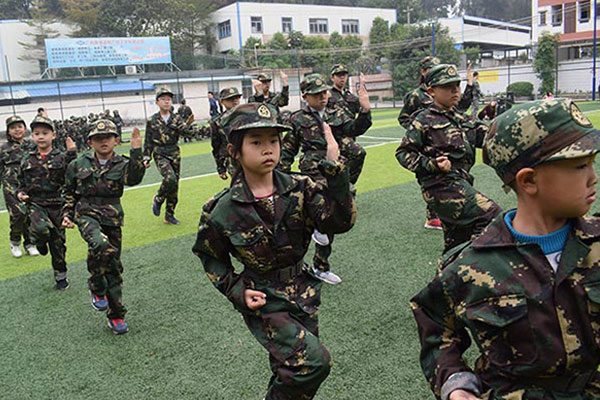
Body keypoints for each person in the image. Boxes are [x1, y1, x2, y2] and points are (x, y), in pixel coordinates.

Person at [412, 98, 600, 400]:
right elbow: (437, 328)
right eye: (579, 165)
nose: (593, 177)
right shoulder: (469, 266)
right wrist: (456, 385)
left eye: (592, 162)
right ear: (529, 180)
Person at [192, 102, 356, 400]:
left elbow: (340, 222)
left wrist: (335, 170)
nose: (268, 149)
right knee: (314, 362)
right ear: (234, 151)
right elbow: (210, 256)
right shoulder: (221, 210)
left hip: (304, 292)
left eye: (274, 141)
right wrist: (236, 290)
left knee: (289, 369)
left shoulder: (301, 188)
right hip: (263, 298)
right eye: (256, 142)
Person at [395, 64, 501, 254]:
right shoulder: (423, 120)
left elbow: (486, 136)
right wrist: (432, 164)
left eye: (457, 86)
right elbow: (403, 153)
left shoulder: (461, 117)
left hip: (460, 183)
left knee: (456, 246)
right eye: (447, 87)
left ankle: (450, 277)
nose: (454, 91)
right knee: (492, 215)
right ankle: (476, 263)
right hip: (440, 187)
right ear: (431, 91)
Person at [280, 73, 369, 285]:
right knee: (309, 219)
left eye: (324, 93)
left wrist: (365, 111)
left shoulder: (335, 112)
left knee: (331, 217)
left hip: (335, 167)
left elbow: (353, 129)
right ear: (305, 96)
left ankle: (321, 267)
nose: (323, 97)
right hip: (312, 170)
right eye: (316, 94)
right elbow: (287, 151)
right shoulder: (297, 119)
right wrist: (279, 179)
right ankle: (294, 265)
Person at [62, 119, 145, 334]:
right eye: (98, 138)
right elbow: (69, 192)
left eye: (107, 137)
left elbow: (134, 179)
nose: (103, 141)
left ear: (116, 140)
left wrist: (136, 150)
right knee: (99, 243)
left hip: (112, 217)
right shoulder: (78, 164)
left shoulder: (122, 163)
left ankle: (116, 315)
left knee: (114, 267)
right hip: (86, 213)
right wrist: (67, 214)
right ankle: (96, 286)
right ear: (90, 141)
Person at [16, 115, 77, 289]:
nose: (41, 136)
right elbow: (21, 183)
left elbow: (73, 175)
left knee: (58, 244)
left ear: (54, 135)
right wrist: (21, 193)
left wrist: (72, 152)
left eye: (45, 133)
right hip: (36, 204)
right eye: (36, 133)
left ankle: (60, 276)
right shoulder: (27, 159)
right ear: (32, 136)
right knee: (41, 230)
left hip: (58, 205)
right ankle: (40, 241)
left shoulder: (61, 157)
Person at [143, 88, 188, 225]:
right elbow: (148, 140)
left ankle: (169, 215)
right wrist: (146, 157)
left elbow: (187, 132)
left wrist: (187, 127)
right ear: (157, 102)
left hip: (174, 153)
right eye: (163, 99)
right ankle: (158, 198)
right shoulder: (152, 120)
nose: (166, 101)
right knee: (170, 178)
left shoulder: (177, 118)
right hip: (160, 153)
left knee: (174, 186)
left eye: (168, 99)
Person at [327, 64, 371, 187]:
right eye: (339, 75)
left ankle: (347, 185)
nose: (342, 78)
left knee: (352, 159)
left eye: (344, 75)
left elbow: (362, 113)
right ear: (332, 77)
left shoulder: (349, 96)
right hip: (333, 136)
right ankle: (343, 187)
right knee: (357, 153)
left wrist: (363, 89)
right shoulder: (327, 95)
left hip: (348, 135)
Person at [0, 116, 38, 258]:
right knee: (18, 214)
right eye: (13, 127)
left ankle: (29, 243)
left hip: (29, 184)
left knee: (30, 214)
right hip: (11, 186)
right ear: (8, 131)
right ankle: (15, 242)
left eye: (19, 126)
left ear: (24, 128)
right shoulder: (3, 148)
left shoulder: (31, 145)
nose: (17, 129)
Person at [210, 87, 242, 180]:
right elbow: (216, 146)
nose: (235, 101)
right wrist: (220, 168)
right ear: (221, 102)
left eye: (237, 98)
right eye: (230, 99)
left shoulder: (247, 116)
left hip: (249, 156)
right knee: (239, 186)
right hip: (231, 160)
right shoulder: (217, 122)